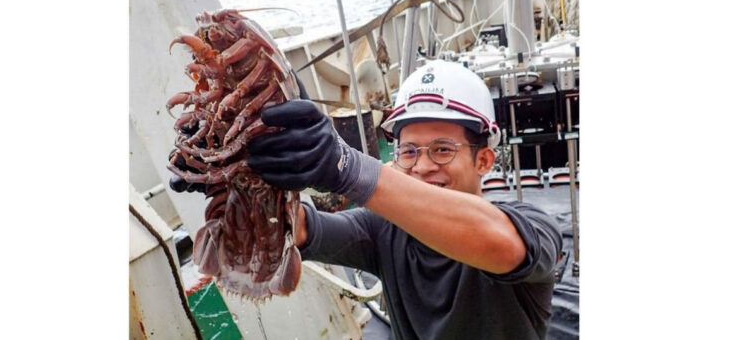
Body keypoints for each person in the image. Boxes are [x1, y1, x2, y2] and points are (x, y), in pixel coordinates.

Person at [172, 60, 563, 339]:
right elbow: (302, 227)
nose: (423, 167)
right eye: (409, 152)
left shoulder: (533, 226)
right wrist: (234, 171)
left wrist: (346, 167)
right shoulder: (382, 230)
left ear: (484, 159)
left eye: (442, 150)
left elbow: (502, 245)